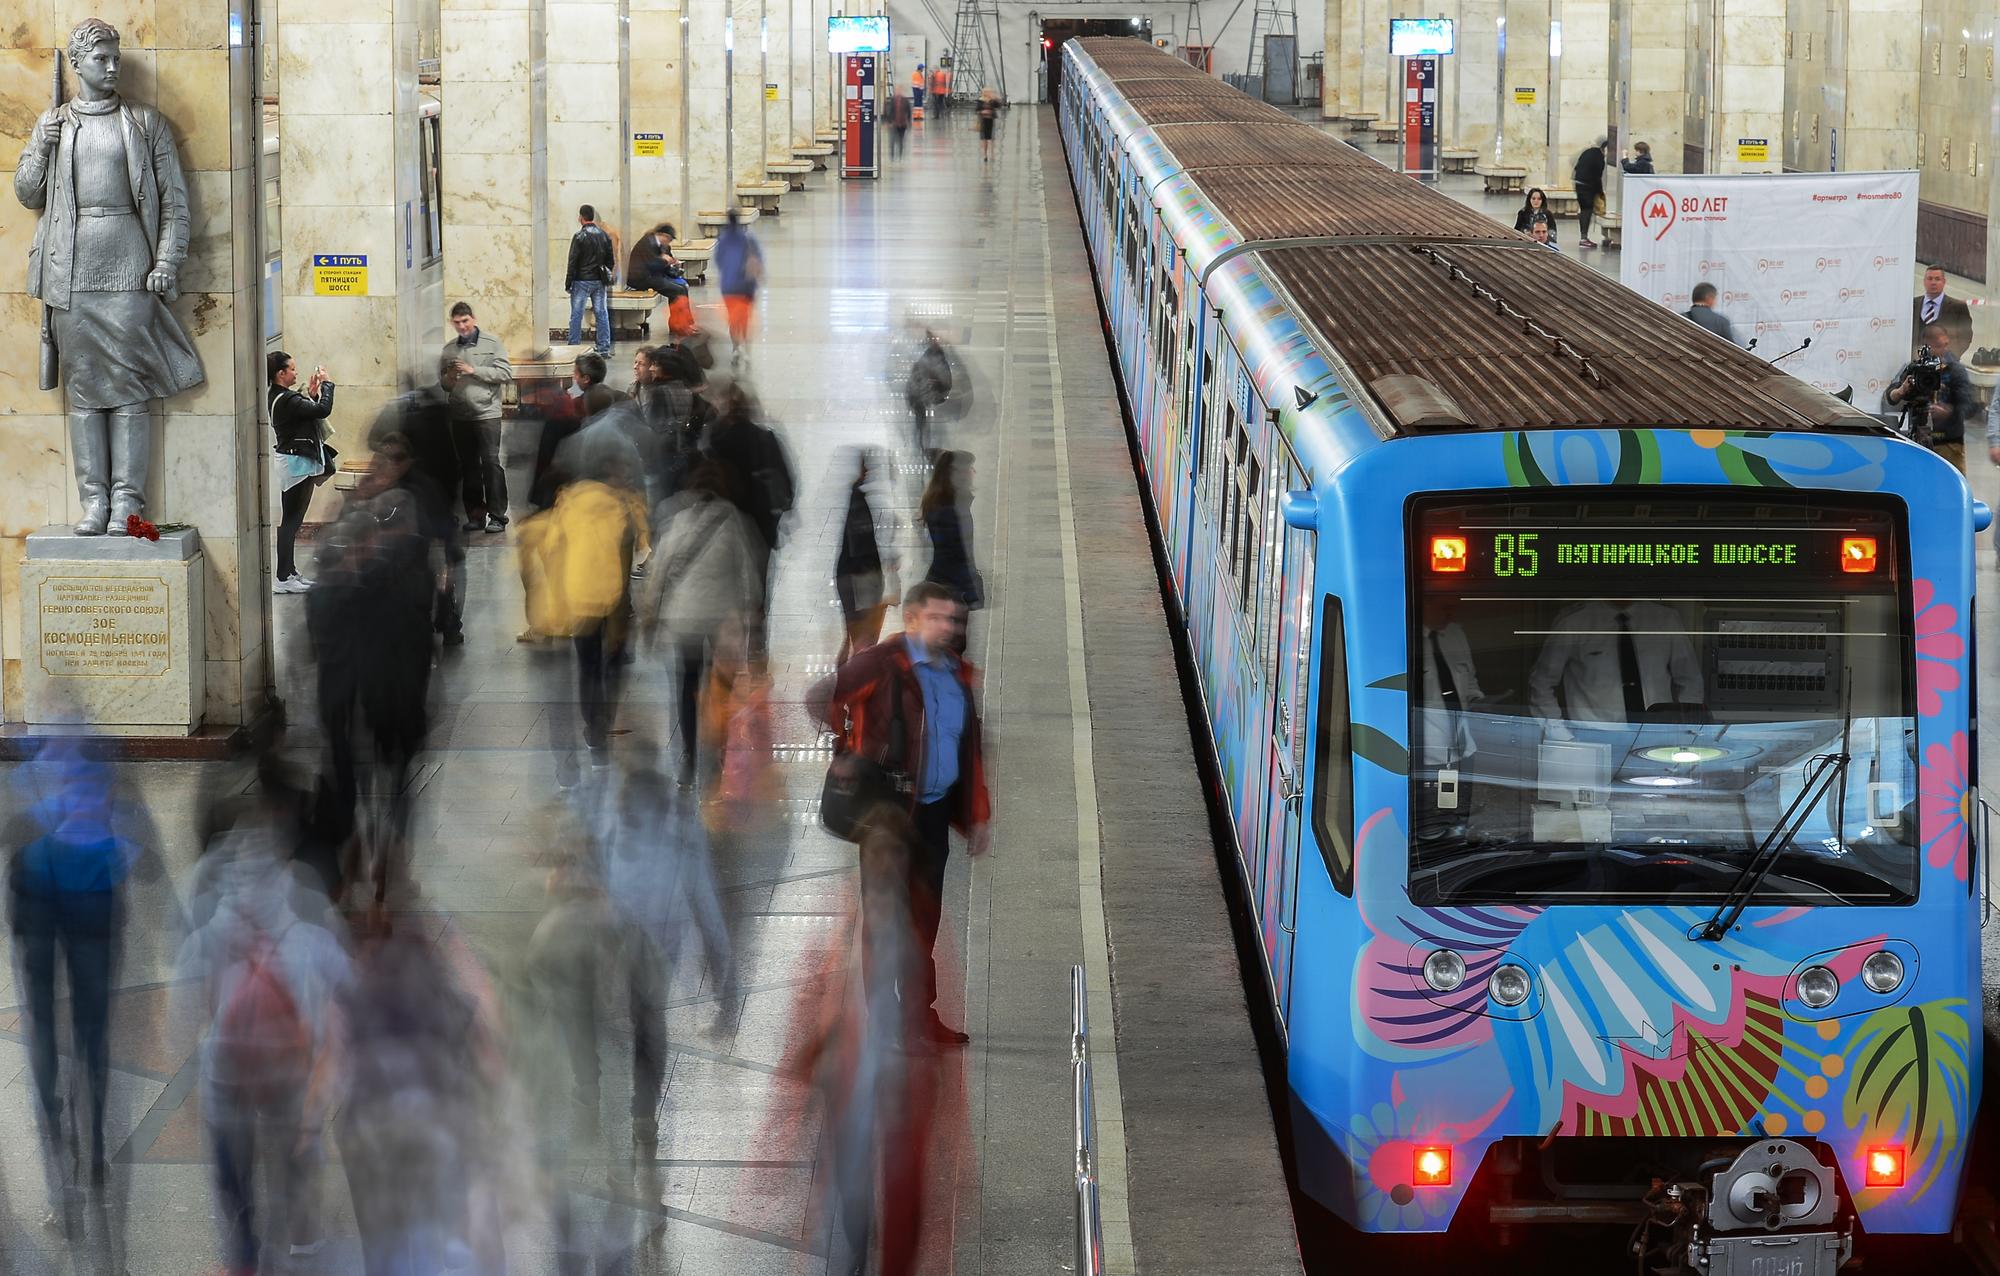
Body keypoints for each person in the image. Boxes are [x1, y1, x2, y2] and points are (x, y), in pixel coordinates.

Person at [15, 18, 206, 536]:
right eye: (101, 58)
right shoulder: (55, 123)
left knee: (128, 390)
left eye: (116, 57)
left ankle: (127, 501)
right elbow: (28, 195)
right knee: (83, 392)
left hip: (128, 268)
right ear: (77, 64)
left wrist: (166, 260)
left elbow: (174, 203)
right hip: (70, 273)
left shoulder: (145, 123)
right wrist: (40, 144)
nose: (112, 66)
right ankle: (93, 501)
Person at [824, 581, 992, 1044]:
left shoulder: (956, 672)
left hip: (933, 814)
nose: (950, 627)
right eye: (939, 618)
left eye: (955, 620)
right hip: (887, 816)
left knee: (924, 918)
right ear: (913, 618)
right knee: (883, 922)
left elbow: (967, 747)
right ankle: (882, 1025)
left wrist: (977, 814)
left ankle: (920, 1017)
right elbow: (825, 696)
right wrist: (847, 751)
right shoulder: (884, 662)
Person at [639, 461, 763, 786]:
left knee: (687, 684)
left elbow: (660, 570)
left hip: (685, 618)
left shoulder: (679, 521)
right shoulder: (733, 521)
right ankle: (717, 752)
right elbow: (748, 574)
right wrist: (752, 611)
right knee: (720, 686)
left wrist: (650, 613)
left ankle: (688, 758)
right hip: (722, 618)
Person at [1527, 600, 1703, 737]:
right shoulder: (1574, 622)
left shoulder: (1665, 619)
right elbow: (1541, 682)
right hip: (1592, 735)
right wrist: (1561, 734)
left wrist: (1685, 731)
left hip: (1655, 734)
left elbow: (1690, 679)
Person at [441, 300, 515, 534]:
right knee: (469, 466)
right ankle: (475, 515)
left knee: (491, 463)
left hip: (486, 414)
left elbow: (505, 373)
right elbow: (444, 384)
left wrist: (475, 371)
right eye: (456, 323)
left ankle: (497, 516)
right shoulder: (450, 349)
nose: (461, 326)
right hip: (460, 415)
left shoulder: (492, 343)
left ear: (473, 320)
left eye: (465, 321)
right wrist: (451, 375)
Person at [268, 351, 336, 594]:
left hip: (297, 463)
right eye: (293, 369)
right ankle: (283, 577)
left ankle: (290, 572)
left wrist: (314, 394)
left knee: (293, 521)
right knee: (290, 522)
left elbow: (309, 410)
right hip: (294, 465)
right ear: (281, 373)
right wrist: (327, 384)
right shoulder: (285, 399)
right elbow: (323, 410)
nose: (296, 373)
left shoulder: (282, 396)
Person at [1886, 321, 1976, 468]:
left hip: (1949, 443)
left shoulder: (1955, 370)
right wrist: (1901, 390)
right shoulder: (1914, 369)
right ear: (1925, 346)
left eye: (1945, 345)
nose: (1944, 350)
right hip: (1916, 440)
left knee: (1950, 487)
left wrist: (1949, 411)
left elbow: (1969, 406)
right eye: (1938, 346)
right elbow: (1889, 398)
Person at [835, 448, 889, 662]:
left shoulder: (855, 496)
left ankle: (850, 662)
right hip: (860, 575)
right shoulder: (858, 500)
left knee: (856, 630)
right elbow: (860, 544)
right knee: (863, 636)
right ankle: (855, 673)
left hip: (850, 573)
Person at [921, 450, 982, 611]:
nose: (973, 472)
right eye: (970, 468)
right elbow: (953, 555)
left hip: (948, 588)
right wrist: (970, 591)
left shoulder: (950, 504)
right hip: (949, 591)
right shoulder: (948, 511)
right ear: (957, 474)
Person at [713, 208, 765, 364]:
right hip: (747, 285)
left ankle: (736, 347)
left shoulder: (722, 240)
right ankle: (747, 350)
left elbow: (719, 261)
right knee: (746, 317)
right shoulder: (749, 239)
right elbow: (759, 259)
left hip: (728, 286)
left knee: (733, 318)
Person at [564, 204, 616, 356]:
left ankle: (574, 347)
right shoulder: (604, 235)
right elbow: (610, 261)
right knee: (602, 313)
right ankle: (604, 348)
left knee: (576, 314)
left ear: (581, 217)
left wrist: (568, 282)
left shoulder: (579, 236)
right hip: (599, 282)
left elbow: (572, 261)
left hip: (581, 281)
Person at [627, 223, 693, 339]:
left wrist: (672, 263)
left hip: (654, 276)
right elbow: (651, 265)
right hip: (641, 278)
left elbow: (665, 261)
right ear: (663, 235)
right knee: (676, 290)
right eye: (669, 239)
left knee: (682, 287)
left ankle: (685, 323)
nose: (669, 242)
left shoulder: (663, 246)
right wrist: (665, 261)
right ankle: (679, 325)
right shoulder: (646, 243)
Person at [1912, 264, 1973, 354]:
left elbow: (1966, 336)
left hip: (1945, 363)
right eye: (1930, 279)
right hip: (1914, 360)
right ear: (1924, 281)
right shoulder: (1913, 304)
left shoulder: (1958, 307)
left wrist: (1952, 357)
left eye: (1937, 279)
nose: (1933, 282)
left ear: (1944, 282)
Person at [1572, 138, 1610, 248]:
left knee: (1584, 209)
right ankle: (1584, 238)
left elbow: (1576, 167)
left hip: (1578, 184)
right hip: (1587, 187)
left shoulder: (1588, 152)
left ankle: (1583, 236)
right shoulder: (1599, 158)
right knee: (1587, 211)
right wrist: (1600, 192)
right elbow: (1597, 177)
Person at [887, 89, 913, 158]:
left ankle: (900, 154)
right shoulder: (893, 101)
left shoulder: (905, 101)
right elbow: (890, 111)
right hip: (894, 123)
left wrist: (909, 122)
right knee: (892, 140)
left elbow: (909, 112)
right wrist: (889, 122)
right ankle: (892, 155)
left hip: (902, 124)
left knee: (901, 139)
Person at [977, 89, 999, 161]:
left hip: (990, 121)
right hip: (983, 121)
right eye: (986, 92)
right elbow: (977, 110)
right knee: (985, 139)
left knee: (991, 139)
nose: (987, 93)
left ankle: (992, 154)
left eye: (989, 92)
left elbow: (998, 105)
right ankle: (985, 155)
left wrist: (996, 99)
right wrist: (983, 112)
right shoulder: (980, 101)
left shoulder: (992, 100)